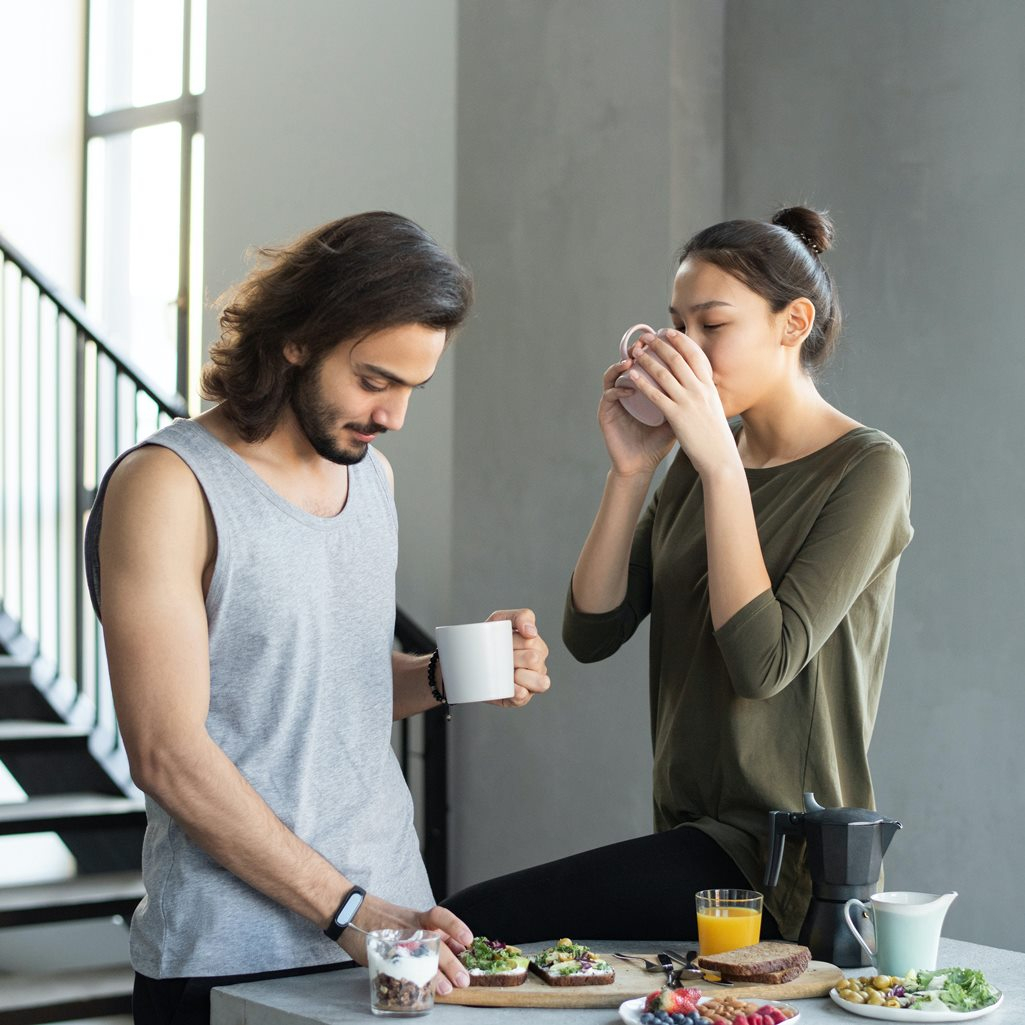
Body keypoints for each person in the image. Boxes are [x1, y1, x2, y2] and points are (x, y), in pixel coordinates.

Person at [83, 211, 551, 1024]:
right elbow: (166, 751)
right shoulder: (168, 486)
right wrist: (348, 911)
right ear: (298, 338)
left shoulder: (373, 481)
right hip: (230, 955)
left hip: (395, 942)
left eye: (412, 387)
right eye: (374, 380)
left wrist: (451, 675)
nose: (394, 415)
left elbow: (327, 687)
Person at [442, 206, 912, 945]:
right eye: (675, 325)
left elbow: (762, 661)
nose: (683, 349)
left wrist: (720, 465)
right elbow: (592, 630)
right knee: (480, 935)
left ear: (792, 323)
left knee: (472, 924)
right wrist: (631, 471)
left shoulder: (865, 468)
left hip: (784, 858)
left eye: (711, 326)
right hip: (690, 833)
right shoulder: (697, 460)